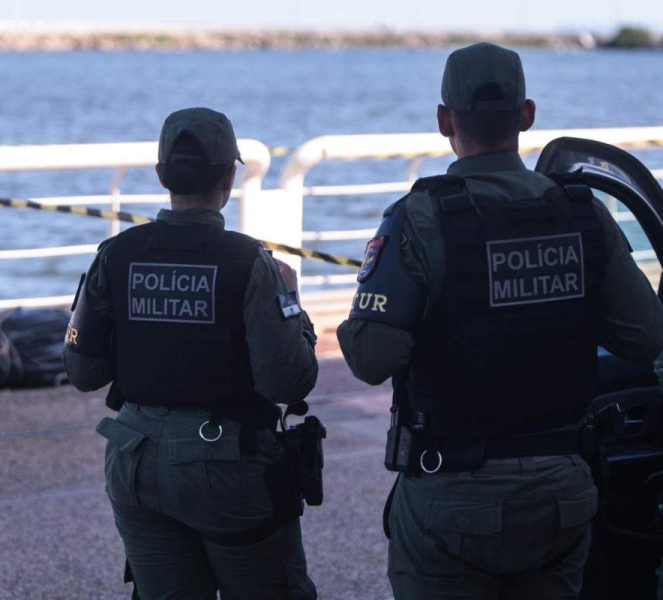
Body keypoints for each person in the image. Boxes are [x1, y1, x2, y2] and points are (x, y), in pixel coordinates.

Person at [337, 42, 663, 599]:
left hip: (452, 495)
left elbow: (371, 360)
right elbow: (644, 337)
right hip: (561, 492)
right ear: (527, 115)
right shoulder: (584, 212)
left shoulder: (419, 218)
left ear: (444, 120)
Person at [63, 107, 319, 599]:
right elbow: (288, 382)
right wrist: (290, 301)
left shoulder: (115, 255)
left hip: (133, 457)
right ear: (229, 176)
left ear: (162, 176)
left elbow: (82, 370)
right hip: (228, 465)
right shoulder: (253, 263)